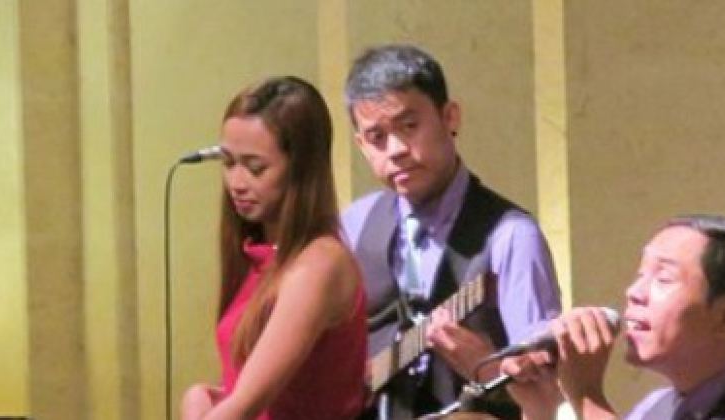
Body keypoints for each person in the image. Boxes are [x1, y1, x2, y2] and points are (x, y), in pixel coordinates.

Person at [340, 44, 563, 418]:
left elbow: (546, 396)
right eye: (377, 137)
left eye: (409, 126)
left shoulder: (511, 237)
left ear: (450, 117)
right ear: (361, 145)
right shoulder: (354, 224)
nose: (395, 150)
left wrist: (485, 367)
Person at [502, 214, 725, 420]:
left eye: (663, 278)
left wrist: (587, 396)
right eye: (640, 275)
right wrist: (540, 410)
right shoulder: (655, 408)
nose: (634, 292)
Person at [180, 76, 367, 420]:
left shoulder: (319, 265)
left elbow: (246, 405)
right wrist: (202, 398)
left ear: (301, 170)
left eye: (256, 168)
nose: (236, 183)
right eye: (228, 163)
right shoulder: (260, 255)